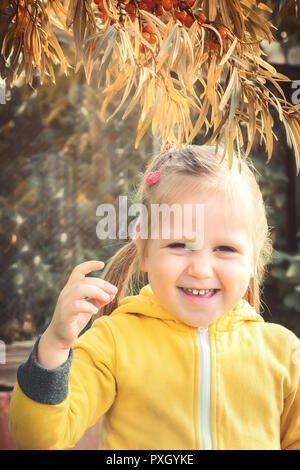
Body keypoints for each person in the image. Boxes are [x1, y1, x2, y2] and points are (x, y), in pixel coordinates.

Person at [9, 144, 300, 450]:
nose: (200, 269)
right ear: (144, 250)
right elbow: (39, 440)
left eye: (225, 249)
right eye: (178, 244)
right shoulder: (114, 343)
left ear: (254, 260)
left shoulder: (284, 354)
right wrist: (54, 345)